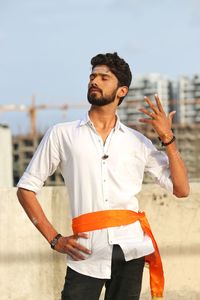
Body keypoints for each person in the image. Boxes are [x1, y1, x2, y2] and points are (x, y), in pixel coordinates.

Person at [17, 52, 189, 300]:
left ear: (121, 91)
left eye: (104, 77)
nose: (94, 81)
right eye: (92, 76)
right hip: (84, 252)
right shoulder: (62, 134)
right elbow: (26, 188)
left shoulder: (137, 142)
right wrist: (54, 239)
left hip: (131, 250)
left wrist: (167, 139)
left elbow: (182, 189)